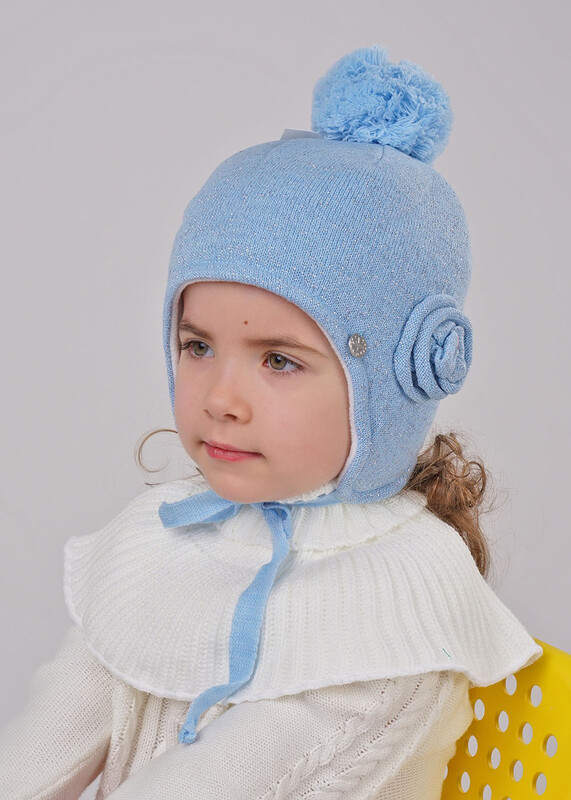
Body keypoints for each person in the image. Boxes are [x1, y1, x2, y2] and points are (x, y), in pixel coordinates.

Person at [0, 46, 540, 799]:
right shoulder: (164, 536)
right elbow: (38, 754)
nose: (221, 397)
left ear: (400, 376)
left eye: (279, 360)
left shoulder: (394, 608)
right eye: (197, 346)